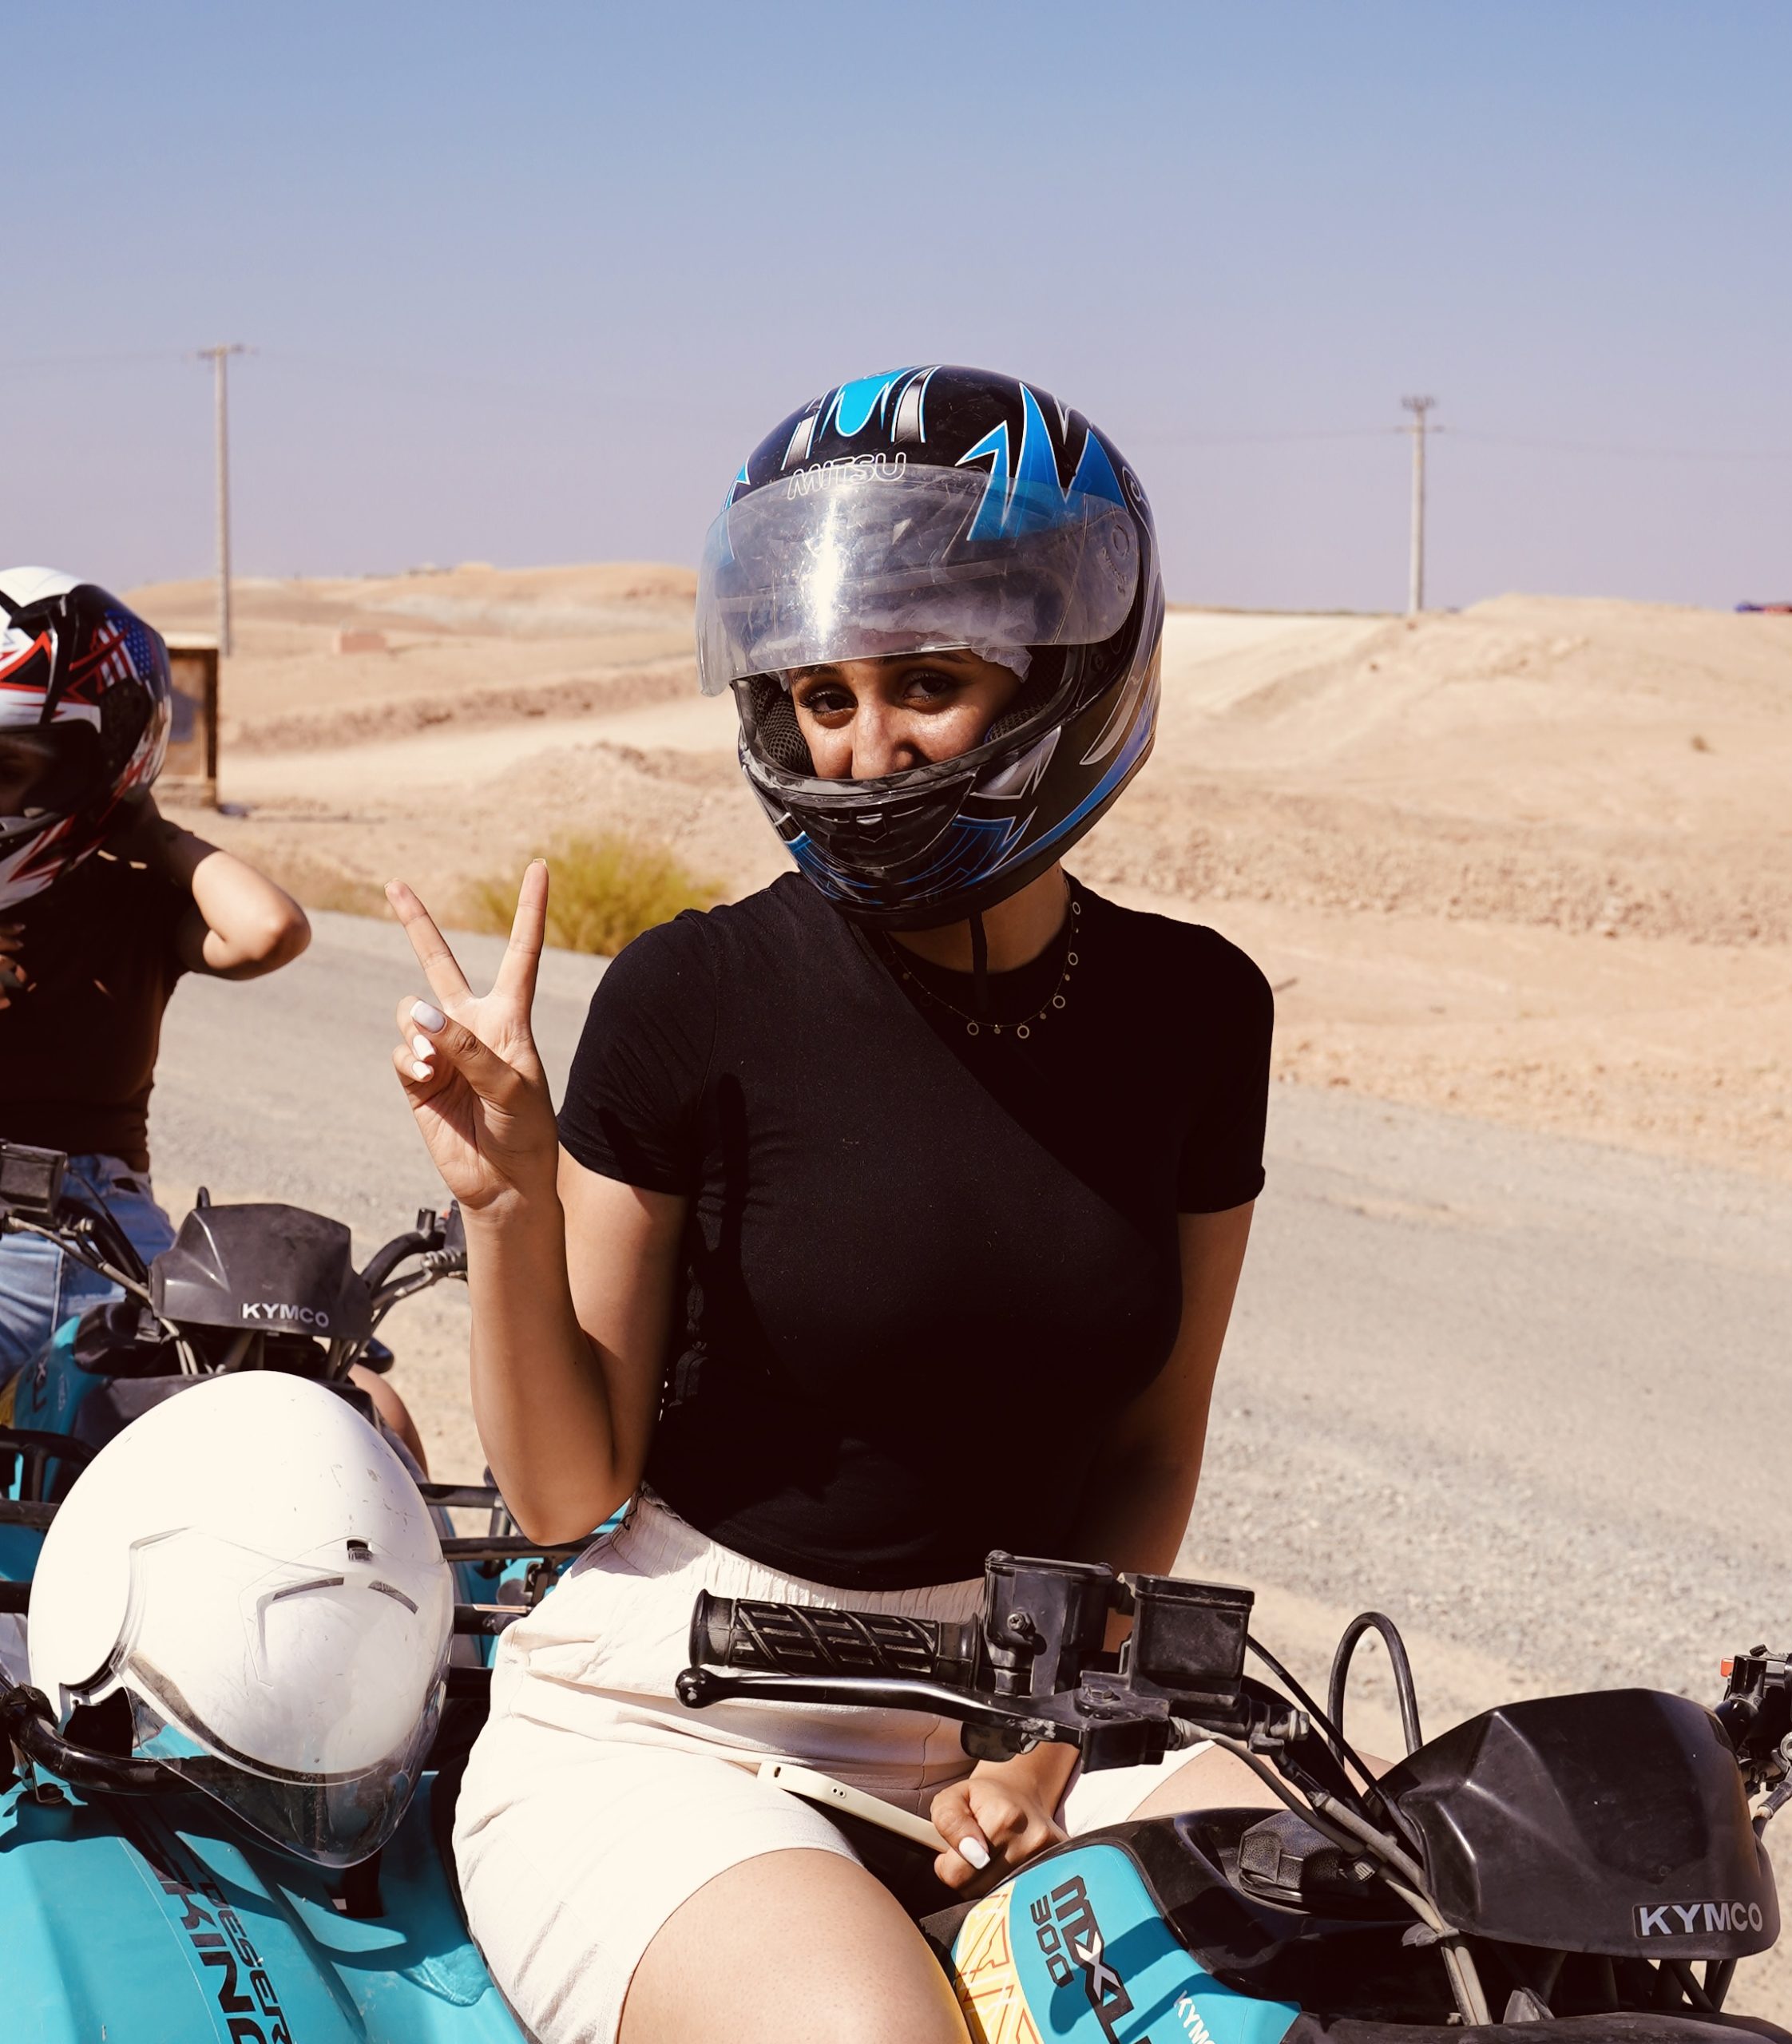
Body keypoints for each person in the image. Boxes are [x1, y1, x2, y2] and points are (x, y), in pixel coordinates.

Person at [387, 366, 1275, 2044]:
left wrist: (1047, 1736)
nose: (864, 747)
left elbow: (1150, 1449)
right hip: (679, 1721)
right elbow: (569, 1490)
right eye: (820, 694)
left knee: (1377, 1939)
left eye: (927, 681)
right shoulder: (693, 993)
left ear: (1069, 671)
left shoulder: (1197, 1010)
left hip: (1010, 1728)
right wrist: (508, 1202)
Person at [0, 570, 422, 1465]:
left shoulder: (127, 898)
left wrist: (149, 829)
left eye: (7, 767)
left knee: (358, 1410)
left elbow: (270, 929)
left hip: (114, 1236)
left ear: (89, 766)